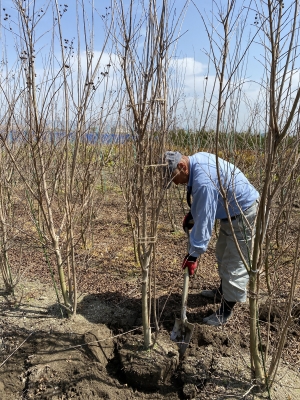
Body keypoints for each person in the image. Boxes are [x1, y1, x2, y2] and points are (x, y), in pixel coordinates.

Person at [164, 150, 259, 326]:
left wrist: (193, 254)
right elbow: (208, 202)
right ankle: (223, 291)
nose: (175, 184)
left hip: (245, 213)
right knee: (222, 253)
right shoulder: (197, 161)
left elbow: (205, 220)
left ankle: (226, 310)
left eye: (173, 178)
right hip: (231, 214)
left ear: (182, 166)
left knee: (235, 261)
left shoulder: (202, 181)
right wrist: (193, 214)